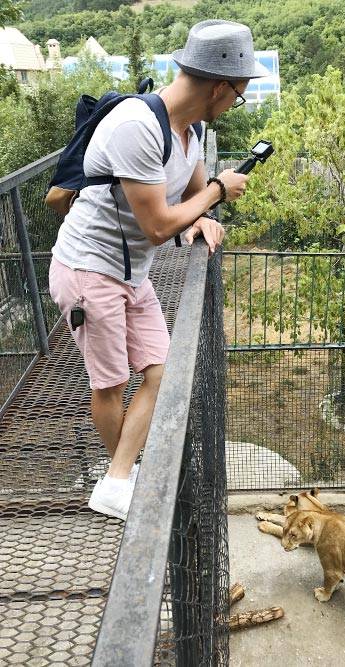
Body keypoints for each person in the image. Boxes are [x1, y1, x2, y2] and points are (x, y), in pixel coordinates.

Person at [48, 19, 270, 521]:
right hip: (88, 271)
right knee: (109, 385)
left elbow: (186, 205)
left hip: (132, 274)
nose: (237, 102)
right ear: (219, 87)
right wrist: (218, 191)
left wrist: (202, 221)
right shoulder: (137, 127)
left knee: (161, 372)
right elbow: (155, 226)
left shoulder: (189, 134)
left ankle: (118, 477)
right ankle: (118, 481)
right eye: (239, 92)